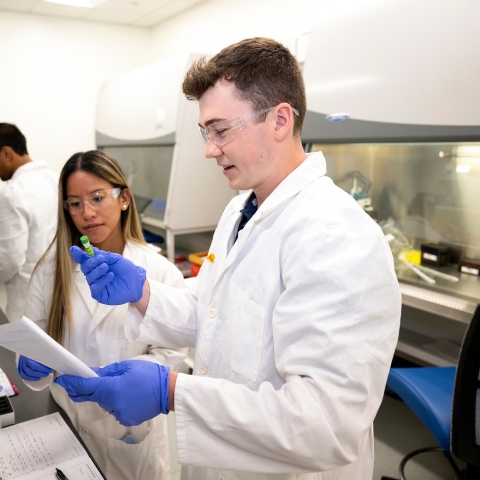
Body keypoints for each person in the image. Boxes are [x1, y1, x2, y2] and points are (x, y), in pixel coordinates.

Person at [55, 38, 401, 480]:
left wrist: (173, 391)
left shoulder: (337, 235)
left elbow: (326, 424)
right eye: (206, 132)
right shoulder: (241, 210)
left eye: (221, 130)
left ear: (279, 120)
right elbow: (217, 310)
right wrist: (144, 293)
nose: (209, 149)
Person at [17, 150, 187, 480]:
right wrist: (32, 364)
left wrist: (130, 381)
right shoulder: (51, 270)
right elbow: (36, 346)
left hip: (131, 433)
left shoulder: (159, 272)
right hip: (67, 423)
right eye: (75, 203)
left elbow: (172, 351)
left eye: (97, 198)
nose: (87, 213)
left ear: (124, 198)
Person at [0, 123, 58, 321]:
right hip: (59, 292)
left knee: (24, 350)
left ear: (7, 153)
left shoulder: (12, 192)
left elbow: (10, 259)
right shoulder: (56, 180)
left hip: (26, 298)